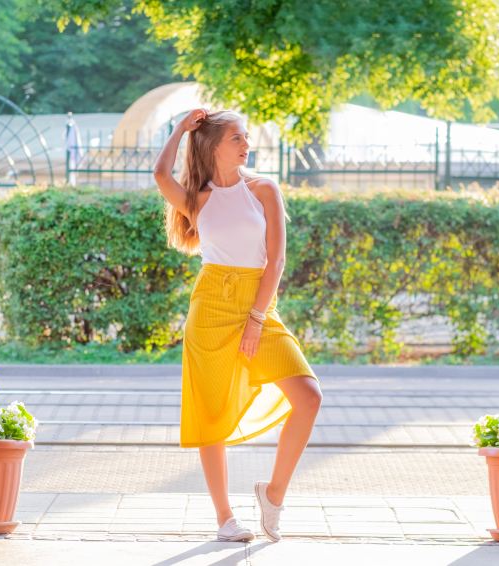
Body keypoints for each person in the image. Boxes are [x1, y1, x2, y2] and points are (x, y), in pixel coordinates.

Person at [152, 108, 323, 543]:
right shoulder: (197, 199)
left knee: (308, 396)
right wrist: (179, 129)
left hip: (257, 304)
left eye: (246, 138)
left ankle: (274, 494)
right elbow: (159, 174)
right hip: (209, 307)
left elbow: (276, 260)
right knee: (210, 414)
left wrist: (255, 319)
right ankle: (225, 517)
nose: (247, 145)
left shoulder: (264, 189)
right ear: (212, 146)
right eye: (236, 139)